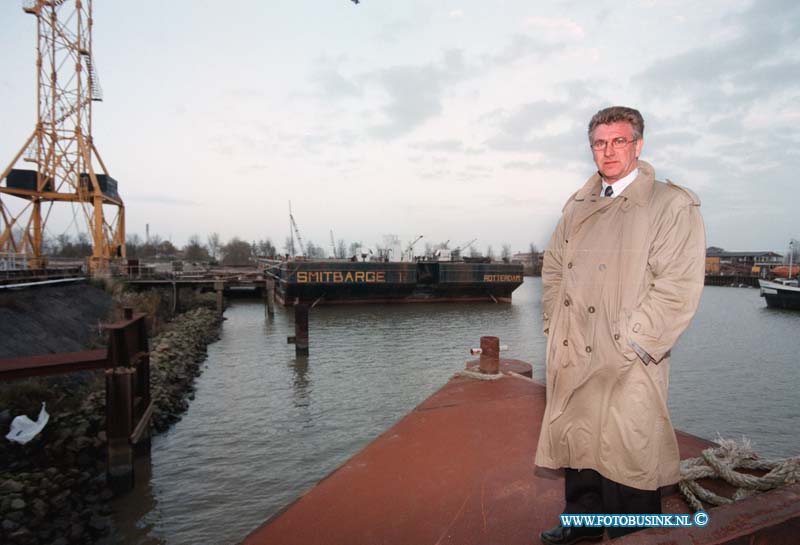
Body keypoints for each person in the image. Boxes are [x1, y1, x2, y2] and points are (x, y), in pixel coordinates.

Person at [535, 106, 706, 544]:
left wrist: (637, 341)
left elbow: (678, 284)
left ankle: (635, 533)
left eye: (619, 141)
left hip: (627, 349)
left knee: (630, 445)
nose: (608, 151)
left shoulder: (670, 203)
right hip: (575, 344)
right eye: (599, 142)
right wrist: (556, 322)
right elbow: (553, 267)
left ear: (638, 145)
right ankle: (582, 521)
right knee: (579, 442)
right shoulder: (577, 205)